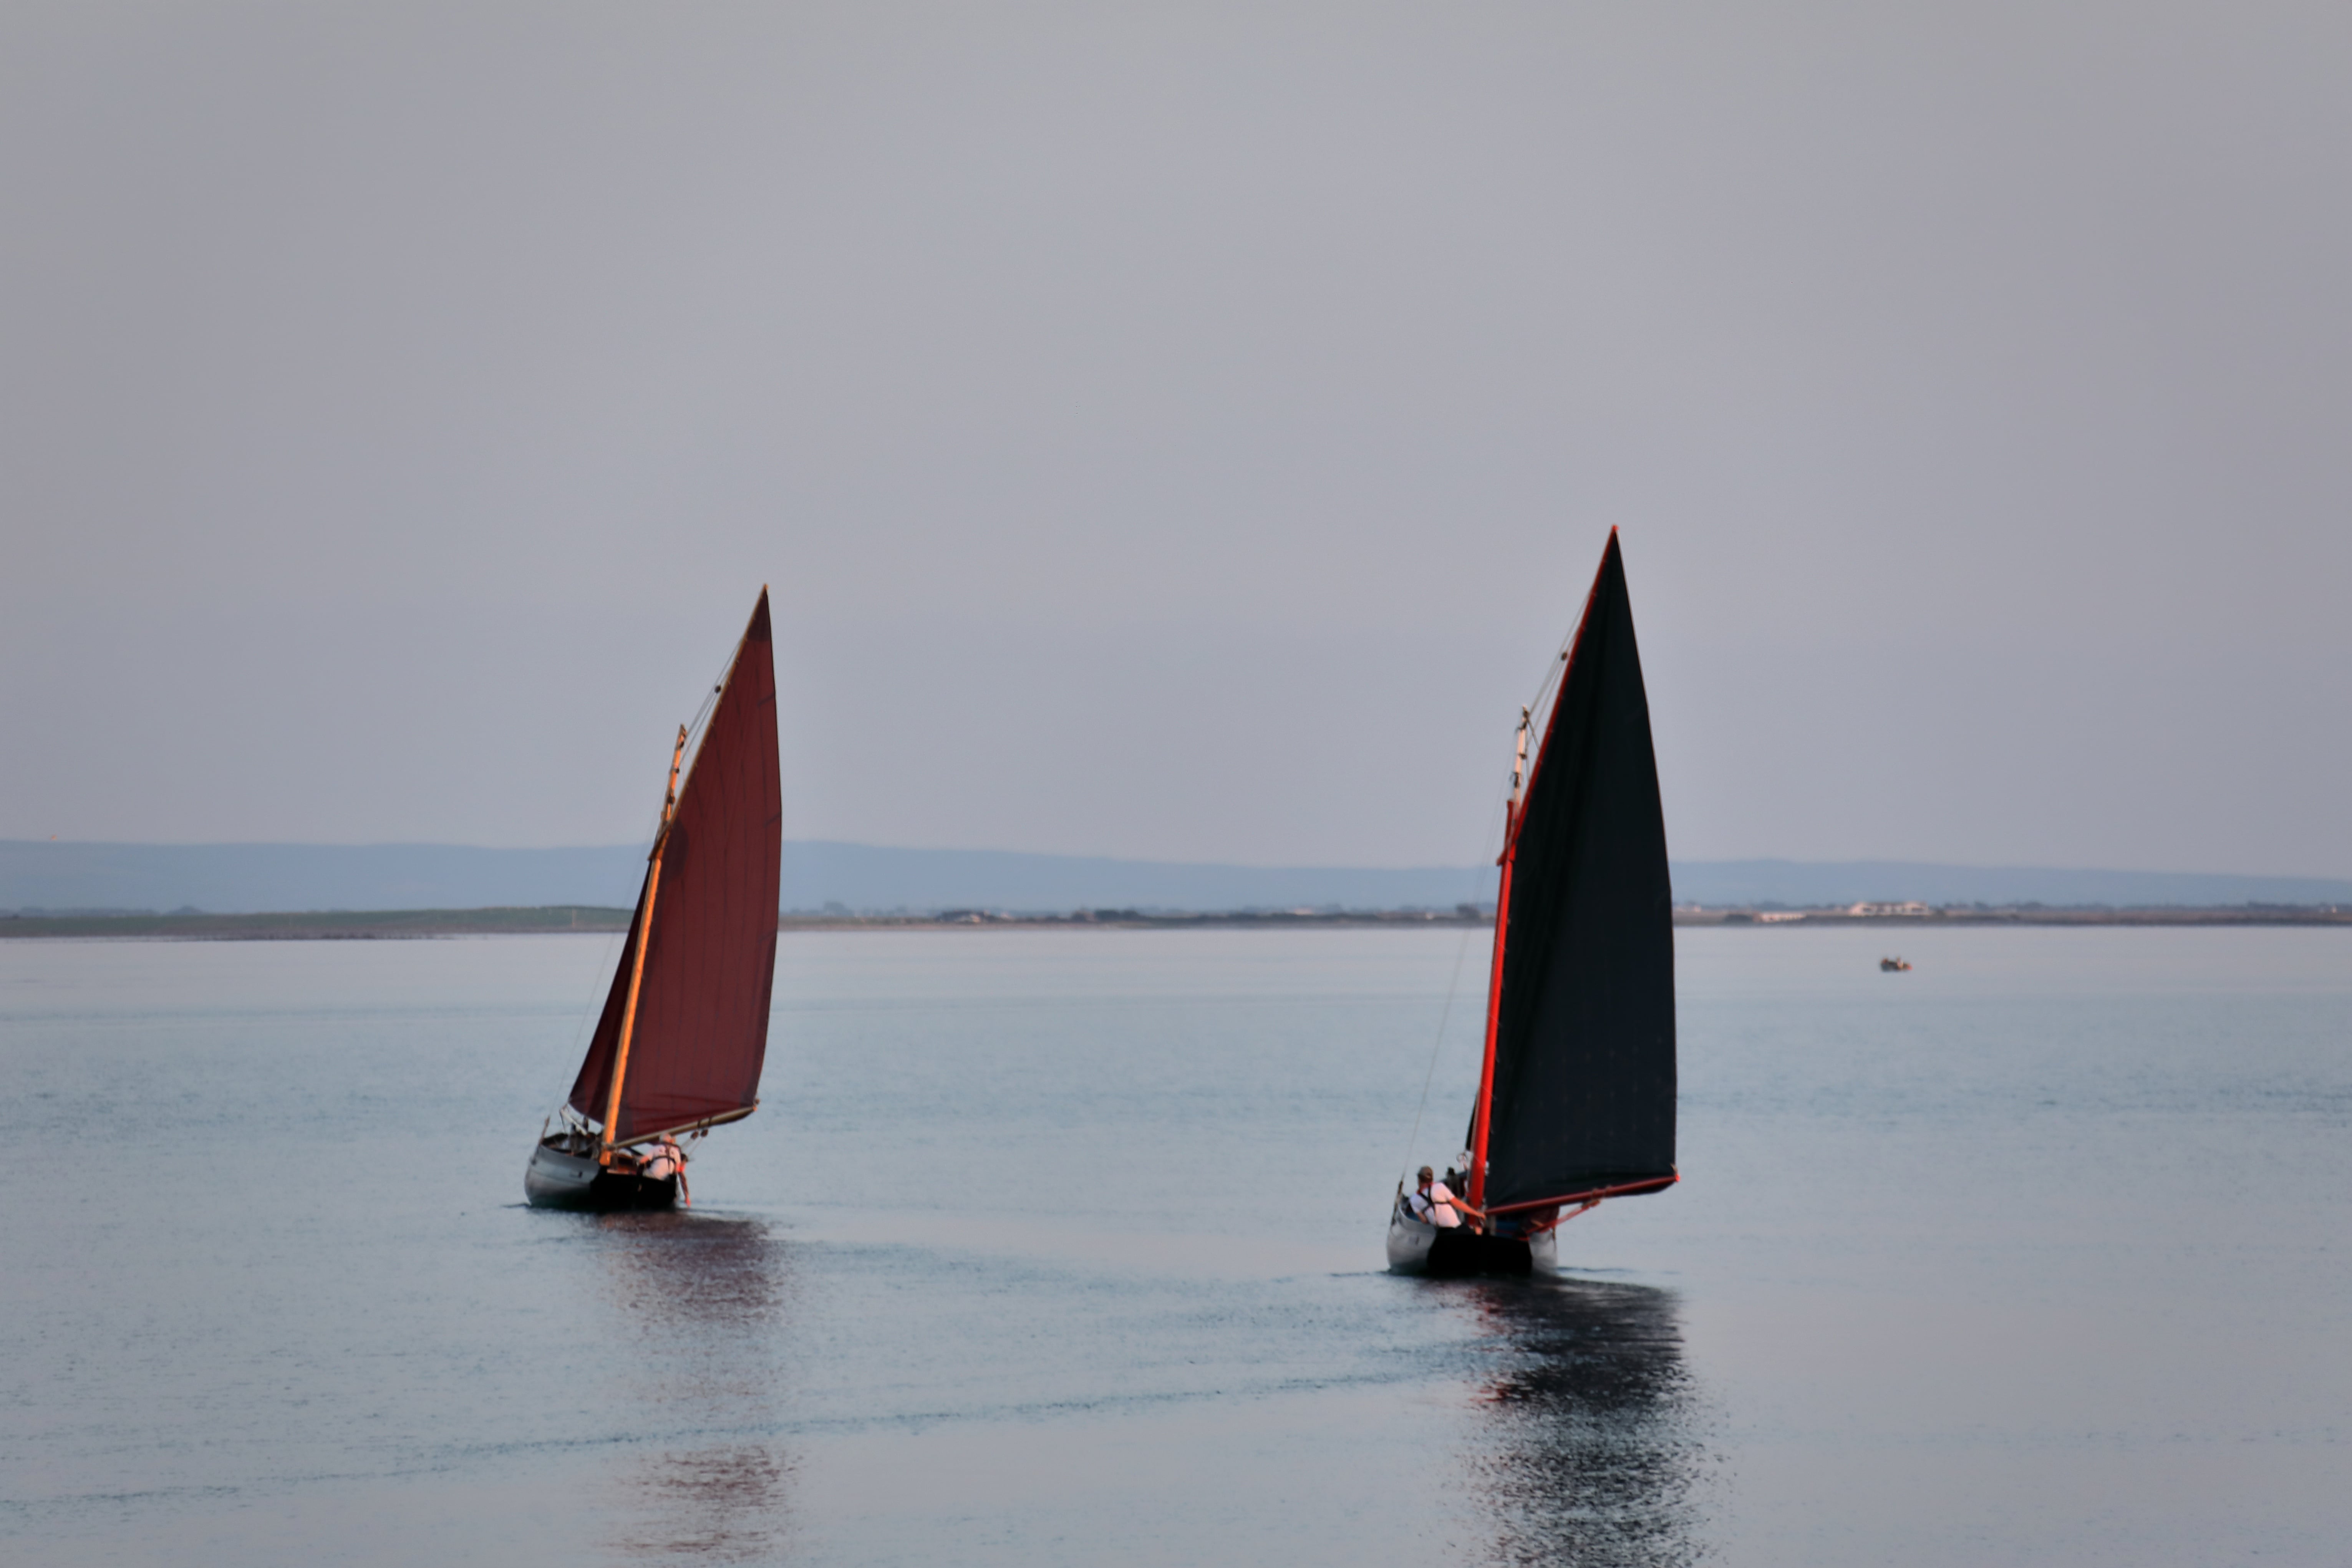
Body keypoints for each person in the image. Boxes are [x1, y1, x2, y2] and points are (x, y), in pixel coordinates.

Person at [1405, 1165, 1486, 1232]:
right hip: (1456, 1228)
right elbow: (1458, 1204)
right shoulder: (1440, 1187)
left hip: (1441, 1232)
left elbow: (1425, 1221)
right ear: (1431, 1179)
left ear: (1419, 1180)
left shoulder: (1414, 1200)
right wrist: (1477, 1213)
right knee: (1478, 1231)